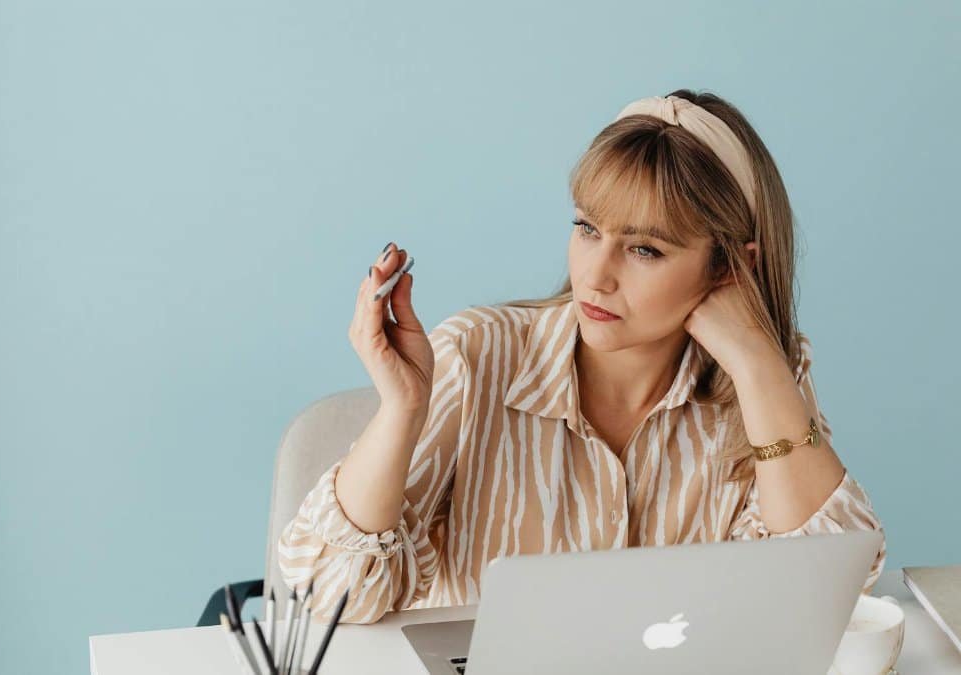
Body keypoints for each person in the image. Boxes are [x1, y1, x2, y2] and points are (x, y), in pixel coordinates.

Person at [278, 89, 886, 625]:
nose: (595, 276)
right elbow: (326, 597)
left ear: (729, 265)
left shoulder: (765, 385)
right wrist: (403, 408)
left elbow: (829, 593)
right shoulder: (477, 354)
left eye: (645, 249)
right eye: (588, 229)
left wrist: (756, 365)